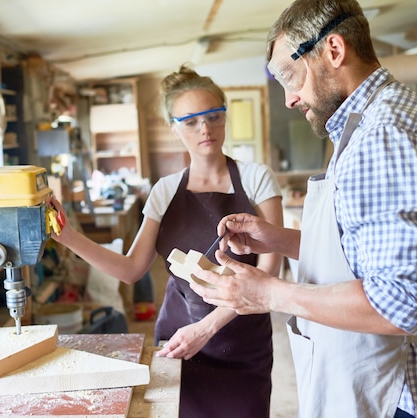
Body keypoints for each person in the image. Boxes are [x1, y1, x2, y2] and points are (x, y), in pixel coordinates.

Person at [191, 1, 417, 418]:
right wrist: (278, 240)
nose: (288, 98)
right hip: (364, 382)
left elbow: (400, 303)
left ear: (334, 50)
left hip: (390, 394)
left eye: (290, 75)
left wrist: (269, 292)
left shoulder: (386, 133)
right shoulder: (365, 125)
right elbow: (363, 255)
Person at [50, 64, 284, 417]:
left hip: (241, 343)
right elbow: (131, 269)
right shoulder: (165, 191)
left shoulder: (256, 178)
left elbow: (270, 271)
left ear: (224, 116)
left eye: (213, 116)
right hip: (179, 342)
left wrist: (206, 328)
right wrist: (66, 236)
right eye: (190, 121)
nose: (205, 129)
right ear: (174, 129)